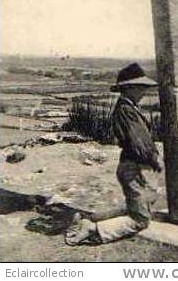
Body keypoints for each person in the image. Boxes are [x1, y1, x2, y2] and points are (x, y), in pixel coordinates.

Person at [65, 63, 162, 246]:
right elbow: (139, 143)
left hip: (132, 166)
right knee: (140, 220)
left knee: (137, 207)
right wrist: (155, 159)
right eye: (141, 88)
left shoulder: (129, 108)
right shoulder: (126, 111)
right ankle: (92, 229)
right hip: (135, 167)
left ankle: (88, 218)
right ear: (129, 88)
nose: (144, 92)